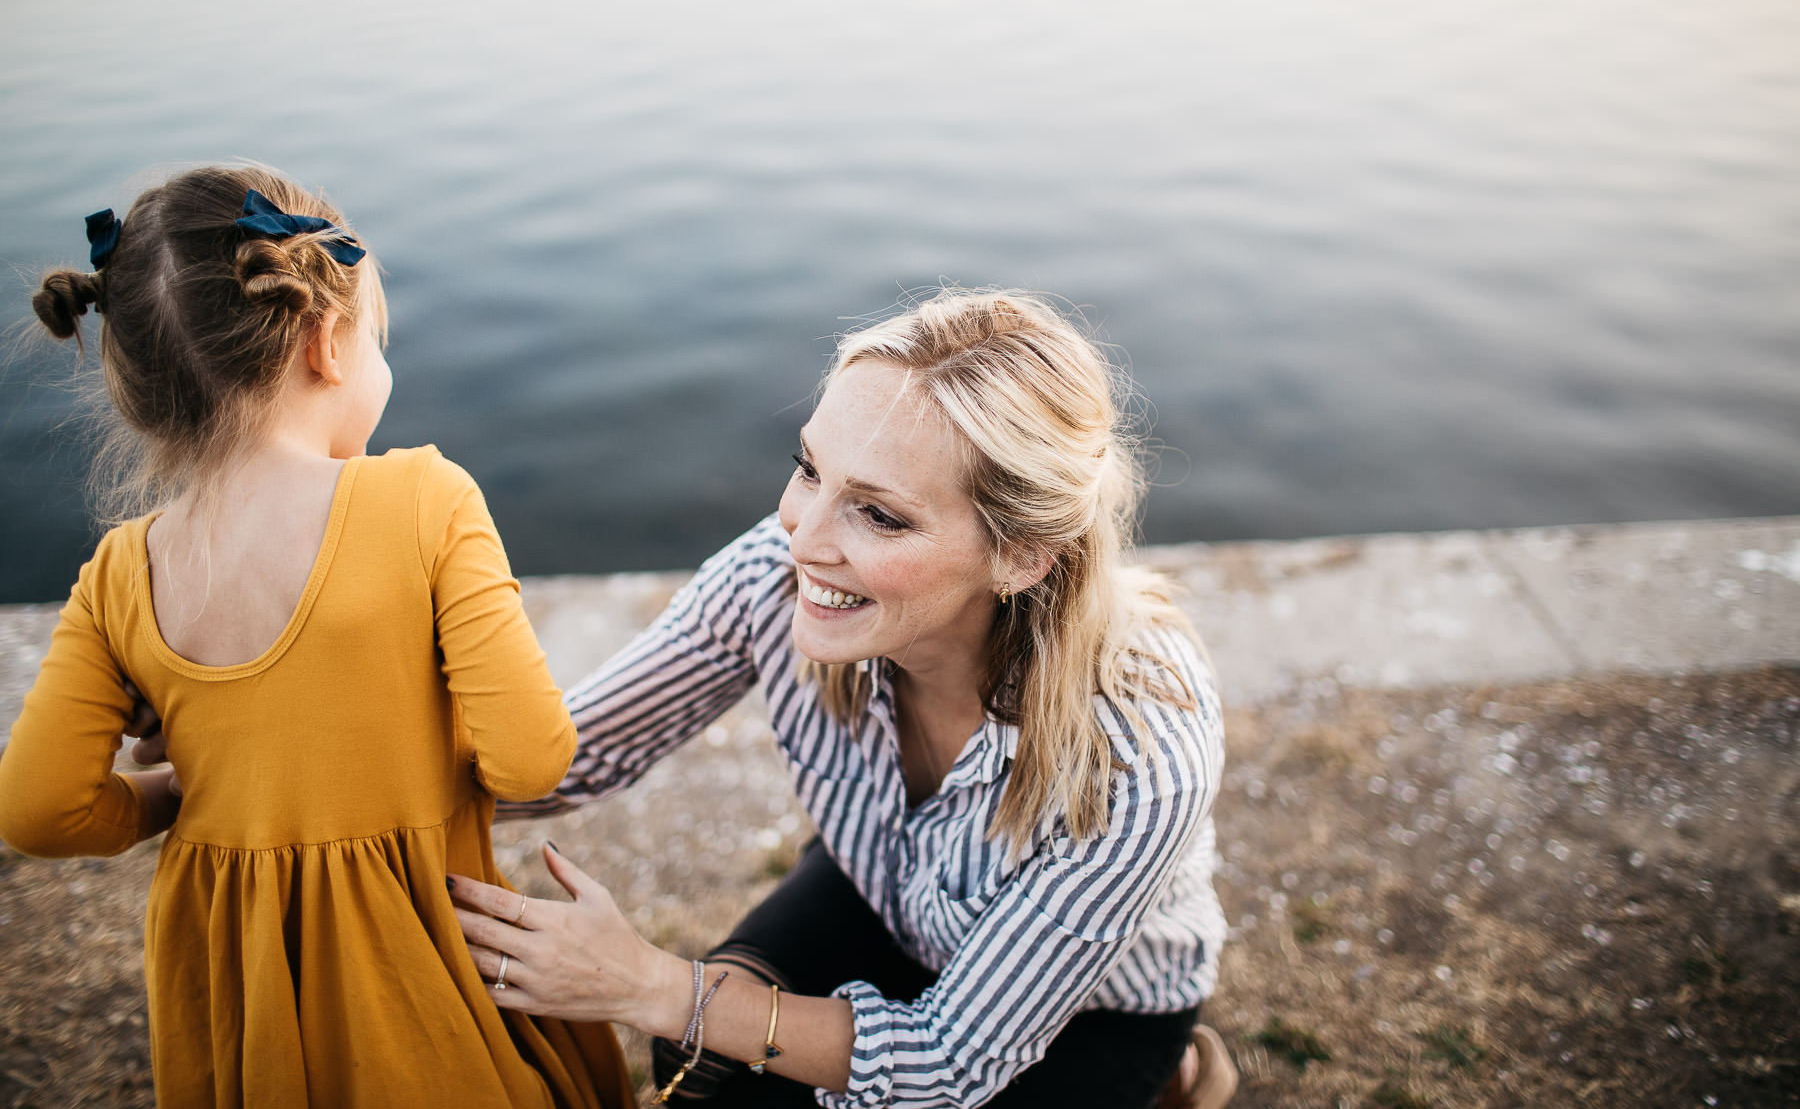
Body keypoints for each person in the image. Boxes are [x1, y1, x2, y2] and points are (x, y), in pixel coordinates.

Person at [448, 290, 1238, 1108]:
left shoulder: (1139, 749)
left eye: (880, 516)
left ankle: (1173, 1080)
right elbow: (577, 755)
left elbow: (948, 1061)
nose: (801, 538)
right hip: (884, 896)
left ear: (1021, 557)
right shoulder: (773, 572)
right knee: (705, 1079)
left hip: (1095, 1007)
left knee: (704, 1023)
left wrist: (649, 984)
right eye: (808, 469)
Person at [0, 165, 632, 1108]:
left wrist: (179, 788)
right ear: (323, 341)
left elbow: (39, 811)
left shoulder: (118, 576)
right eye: (377, 337)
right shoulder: (425, 499)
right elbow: (533, 758)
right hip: (431, 980)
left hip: (246, 1007)